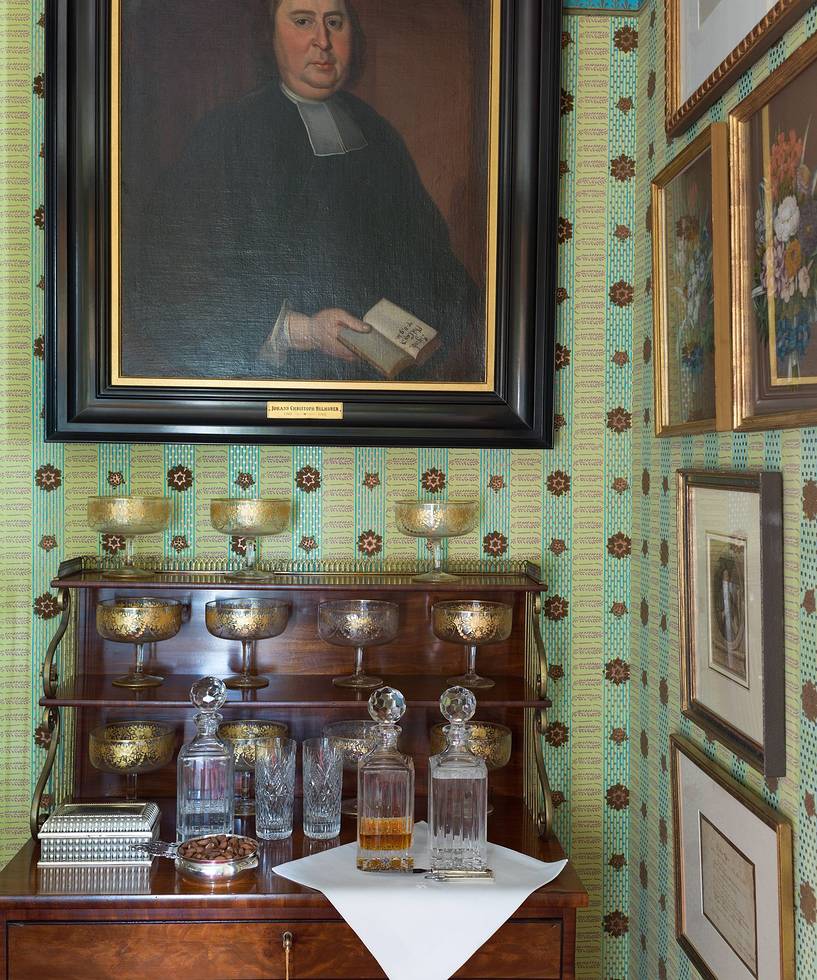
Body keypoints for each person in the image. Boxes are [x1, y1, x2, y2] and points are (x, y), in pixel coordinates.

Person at [122, 0, 483, 383]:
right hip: (270, 380)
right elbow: (173, 279)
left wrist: (424, 322)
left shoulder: (376, 133)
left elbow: (429, 256)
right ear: (270, 37)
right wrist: (304, 331)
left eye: (334, 23)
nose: (322, 41)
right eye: (303, 21)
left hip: (380, 384)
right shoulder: (226, 135)